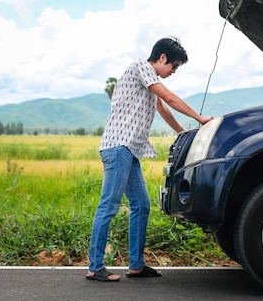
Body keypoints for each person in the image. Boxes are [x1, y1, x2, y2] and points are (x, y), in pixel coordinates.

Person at [86, 36, 213, 282]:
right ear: (162, 57)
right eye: (173, 66)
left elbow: (162, 108)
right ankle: (95, 266)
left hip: (131, 151)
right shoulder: (140, 67)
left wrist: (182, 133)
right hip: (118, 147)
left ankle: (136, 265)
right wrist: (200, 119)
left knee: (142, 205)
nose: (173, 72)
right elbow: (170, 99)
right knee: (109, 206)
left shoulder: (150, 82)